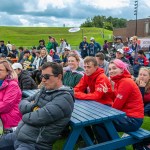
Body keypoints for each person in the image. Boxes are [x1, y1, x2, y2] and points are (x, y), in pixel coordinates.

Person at [0, 62, 74, 150]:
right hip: (18, 135)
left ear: (59, 77)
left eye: (46, 77)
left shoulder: (64, 98)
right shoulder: (44, 90)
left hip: (34, 143)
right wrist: (33, 107)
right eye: (42, 76)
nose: (43, 80)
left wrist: (25, 114)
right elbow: (22, 102)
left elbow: (37, 118)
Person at [93, 59, 144, 143]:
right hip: (128, 117)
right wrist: (108, 92)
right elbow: (117, 98)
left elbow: (117, 106)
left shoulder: (125, 82)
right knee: (100, 121)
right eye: (109, 69)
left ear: (122, 69)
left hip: (133, 120)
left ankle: (107, 146)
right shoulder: (120, 81)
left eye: (114, 68)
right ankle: (108, 144)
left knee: (99, 122)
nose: (111, 71)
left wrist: (105, 114)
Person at [0, 60, 22, 134]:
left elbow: (6, 105)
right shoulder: (1, 82)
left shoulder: (12, 85)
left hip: (10, 121)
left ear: (7, 72)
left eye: (0, 70)